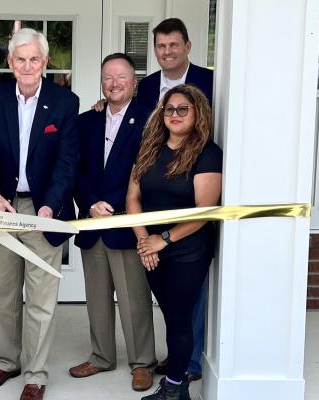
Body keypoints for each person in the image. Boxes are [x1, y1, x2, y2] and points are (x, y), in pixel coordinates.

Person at [0, 28, 79, 400]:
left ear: (45, 62)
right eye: (20, 59)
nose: (27, 66)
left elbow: (68, 162)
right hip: (3, 207)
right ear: (10, 63)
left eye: (34, 59)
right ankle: (7, 360)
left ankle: (35, 374)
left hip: (44, 208)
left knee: (40, 295)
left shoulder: (65, 102)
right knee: (4, 292)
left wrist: (49, 205)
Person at [126, 84, 222, 400]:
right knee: (170, 316)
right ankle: (177, 387)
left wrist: (162, 240)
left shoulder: (208, 153)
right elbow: (133, 198)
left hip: (187, 248)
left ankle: (175, 388)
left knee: (179, 319)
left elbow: (204, 211)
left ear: (198, 114)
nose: (175, 114)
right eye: (170, 109)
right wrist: (144, 241)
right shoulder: (149, 149)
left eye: (183, 109)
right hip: (151, 247)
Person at [69, 53, 157, 392]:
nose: (114, 83)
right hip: (92, 224)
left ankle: (142, 362)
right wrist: (89, 203)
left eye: (121, 77)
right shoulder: (85, 121)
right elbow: (75, 168)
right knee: (97, 297)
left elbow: (147, 172)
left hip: (126, 222)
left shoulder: (149, 120)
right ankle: (102, 356)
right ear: (101, 82)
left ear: (134, 83)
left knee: (134, 298)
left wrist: (118, 207)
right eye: (108, 77)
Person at [138, 18, 214, 381]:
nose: (166, 52)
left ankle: (189, 365)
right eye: (160, 46)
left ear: (187, 45)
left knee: (189, 297)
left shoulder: (211, 81)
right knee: (173, 305)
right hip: (155, 197)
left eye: (173, 45)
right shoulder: (147, 86)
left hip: (195, 186)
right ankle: (179, 360)